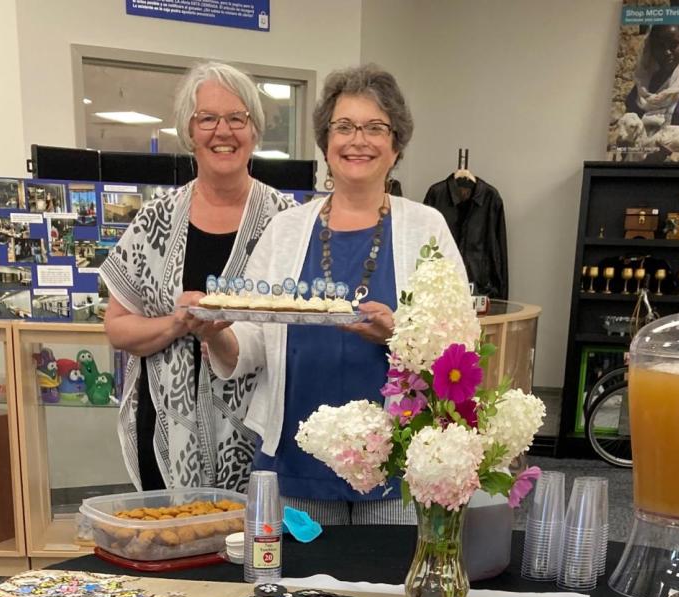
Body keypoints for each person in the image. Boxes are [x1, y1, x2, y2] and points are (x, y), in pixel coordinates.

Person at [200, 64, 465, 524]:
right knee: (288, 592)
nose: (357, 140)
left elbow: (458, 346)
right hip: (295, 467)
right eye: (343, 127)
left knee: (389, 594)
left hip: (396, 472)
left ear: (396, 145)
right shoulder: (285, 231)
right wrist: (215, 334)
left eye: (375, 128)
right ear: (326, 143)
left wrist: (396, 336)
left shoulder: (427, 228)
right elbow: (248, 342)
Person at [101, 62, 292, 492]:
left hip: (258, 438)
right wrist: (176, 322)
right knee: (171, 545)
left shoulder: (287, 223)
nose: (222, 131)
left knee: (251, 553)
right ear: (189, 132)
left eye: (236, 119)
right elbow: (117, 328)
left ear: (254, 130)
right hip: (166, 432)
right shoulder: (155, 220)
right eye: (207, 118)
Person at [623, 24, 679, 156]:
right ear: (651, 47)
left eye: (673, 44)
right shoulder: (641, 87)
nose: (667, 52)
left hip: (678, 170)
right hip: (638, 169)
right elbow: (627, 135)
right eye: (660, 46)